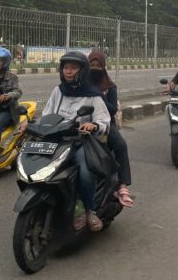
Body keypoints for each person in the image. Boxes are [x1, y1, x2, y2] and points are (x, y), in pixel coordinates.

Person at [42, 51, 111, 232]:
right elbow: (46, 115)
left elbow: (104, 121)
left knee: (86, 173)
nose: (68, 72)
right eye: (66, 67)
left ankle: (89, 210)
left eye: (73, 68)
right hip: (57, 139)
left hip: (80, 141)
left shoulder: (93, 94)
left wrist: (93, 125)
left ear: (82, 71)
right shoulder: (58, 91)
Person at [88, 51, 133, 208]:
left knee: (120, 145)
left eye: (97, 66)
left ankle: (123, 185)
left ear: (103, 66)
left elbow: (113, 109)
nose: (94, 69)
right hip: (82, 123)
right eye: (91, 66)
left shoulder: (109, 86)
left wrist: (98, 97)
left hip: (105, 123)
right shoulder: (80, 84)